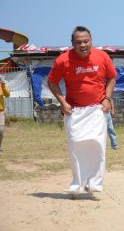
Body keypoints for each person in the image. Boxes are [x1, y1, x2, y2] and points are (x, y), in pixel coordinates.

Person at [48, 26, 117, 193]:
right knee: (75, 145)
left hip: (96, 109)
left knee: (97, 145)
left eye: (86, 41)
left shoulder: (102, 56)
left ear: (91, 41)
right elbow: (52, 82)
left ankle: (94, 183)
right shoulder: (63, 60)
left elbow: (112, 77)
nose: (83, 45)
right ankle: (77, 182)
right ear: (72, 43)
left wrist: (107, 99)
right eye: (78, 42)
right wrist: (62, 102)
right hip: (74, 111)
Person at [0, 77, 10, 152]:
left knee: (1, 130)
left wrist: (3, 86)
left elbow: (7, 94)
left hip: (1, 111)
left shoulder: (1, 85)